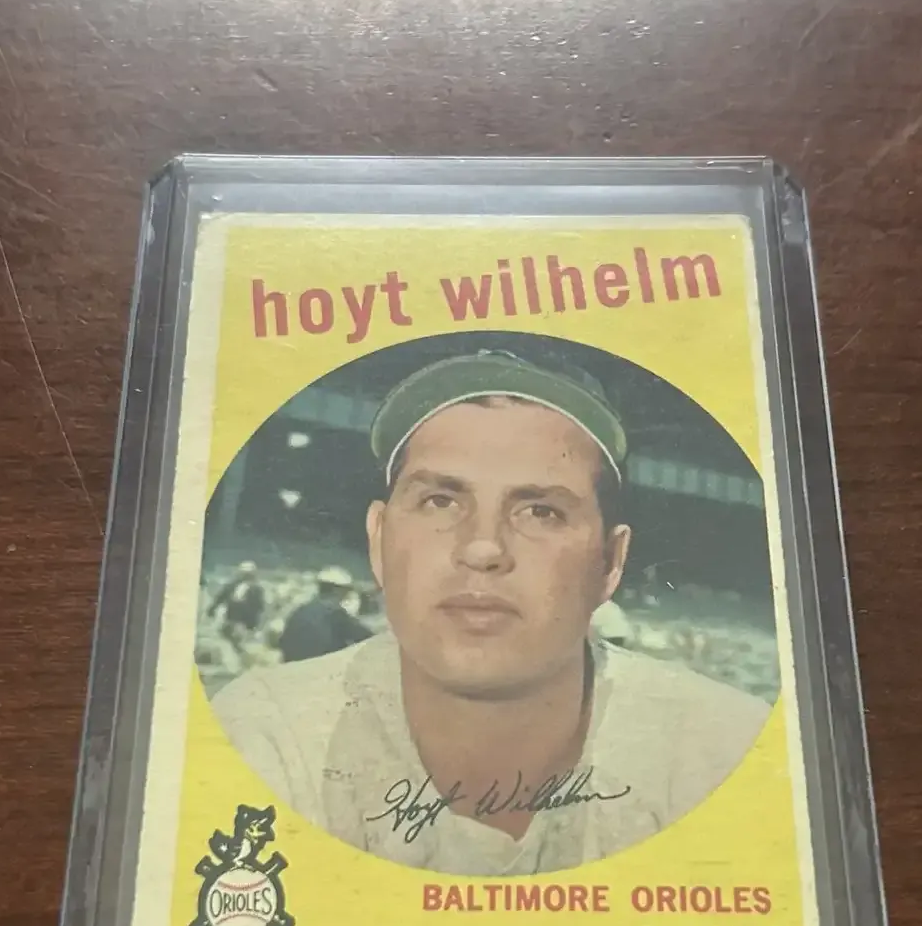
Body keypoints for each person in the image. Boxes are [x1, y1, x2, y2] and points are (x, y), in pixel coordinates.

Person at [212, 351, 771, 876]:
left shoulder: (729, 751)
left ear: (609, 563)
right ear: (379, 541)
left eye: (541, 511)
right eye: (440, 501)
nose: (482, 548)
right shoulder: (264, 734)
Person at [276, 566, 372, 663]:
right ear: (337, 590)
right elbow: (363, 635)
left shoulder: (301, 609)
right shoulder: (335, 611)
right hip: (319, 663)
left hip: (292, 662)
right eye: (347, 590)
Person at [207, 561, 267, 666]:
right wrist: (212, 609)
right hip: (232, 620)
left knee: (237, 643)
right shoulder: (232, 586)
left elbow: (259, 607)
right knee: (232, 642)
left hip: (244, 623)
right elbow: (221, 597)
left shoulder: (257, 589)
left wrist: (255, 625)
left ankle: (241, 661)